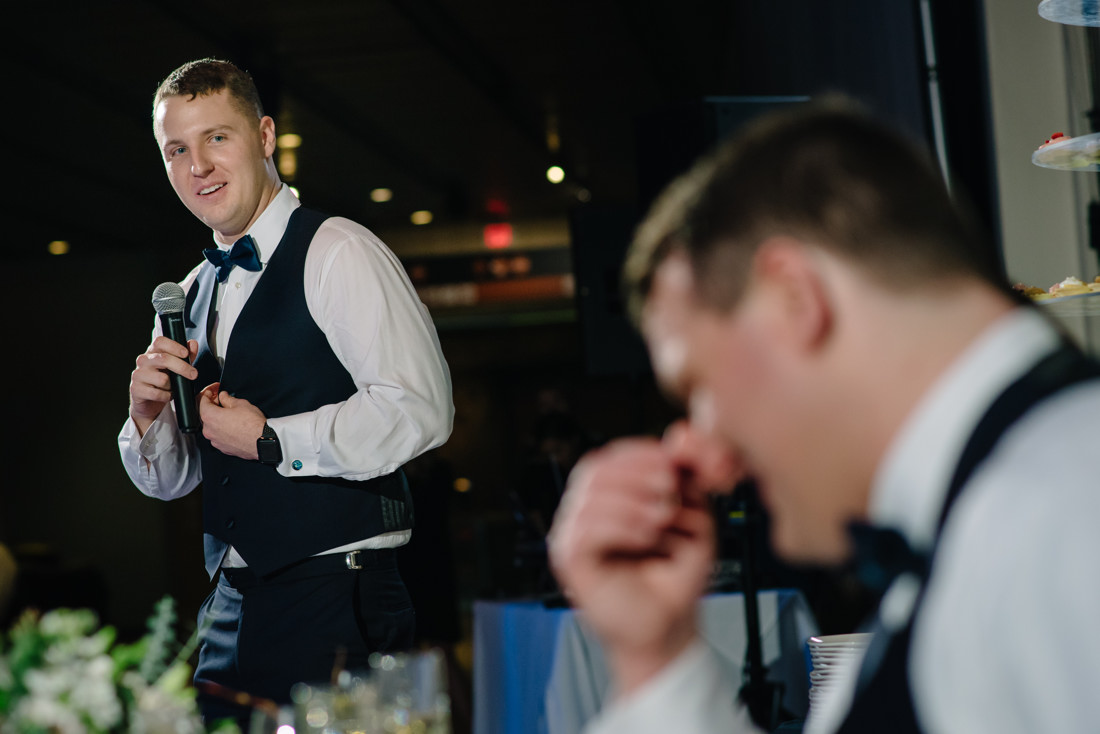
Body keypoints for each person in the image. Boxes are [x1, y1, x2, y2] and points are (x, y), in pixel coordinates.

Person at [547, 99, 1100, 733]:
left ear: (793, 298)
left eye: (697, 384)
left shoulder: (1064, 514)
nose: (699, 446)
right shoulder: (993, 527)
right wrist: (656, 656)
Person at [118, 58, 454, 726]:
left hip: (339, 593)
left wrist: (274, 439)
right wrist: (148, 418)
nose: (198, 166)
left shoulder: (339, 251)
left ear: (265, 137)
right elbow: (172, 482)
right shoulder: (184, 294)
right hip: (228, 604)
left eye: (218, 138)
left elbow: (421, 408)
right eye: (176, 150)